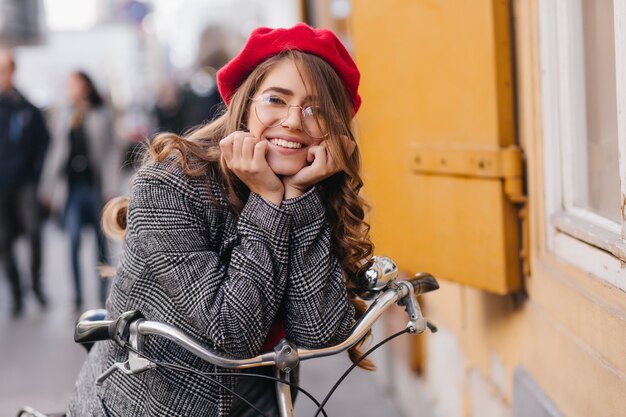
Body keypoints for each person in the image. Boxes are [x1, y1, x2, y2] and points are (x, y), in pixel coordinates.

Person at [68, 23, 374, 416]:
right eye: (276, 100)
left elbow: (321, 332)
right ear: (247, 105)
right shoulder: (170, 184)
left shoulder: (310, 189)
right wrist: (267, 201)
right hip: (156, 402)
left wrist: (297, 198)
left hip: (264, 398)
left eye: (315, 109)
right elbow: (229, 332)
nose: (295, 121)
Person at [41, 71, 120, 308]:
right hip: (73, 190)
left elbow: (111, 152)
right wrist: (48, 186)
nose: (70, 90)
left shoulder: (102, 113)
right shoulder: (66, 114)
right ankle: (76, 295)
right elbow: (57, 151)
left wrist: (111, 186)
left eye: (73, 85)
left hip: (95, 188)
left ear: (85, 86)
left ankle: (103, 294)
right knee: (73, 240)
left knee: (101, 244)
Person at [0, 49, 50, 317]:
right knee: (4, 243)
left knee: (34, 234)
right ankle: (17, 295)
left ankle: (36, 285)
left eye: (3, 70)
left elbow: (44, 145)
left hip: (25, 184)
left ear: (13, 71)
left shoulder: (27, 108)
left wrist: (38, 176)